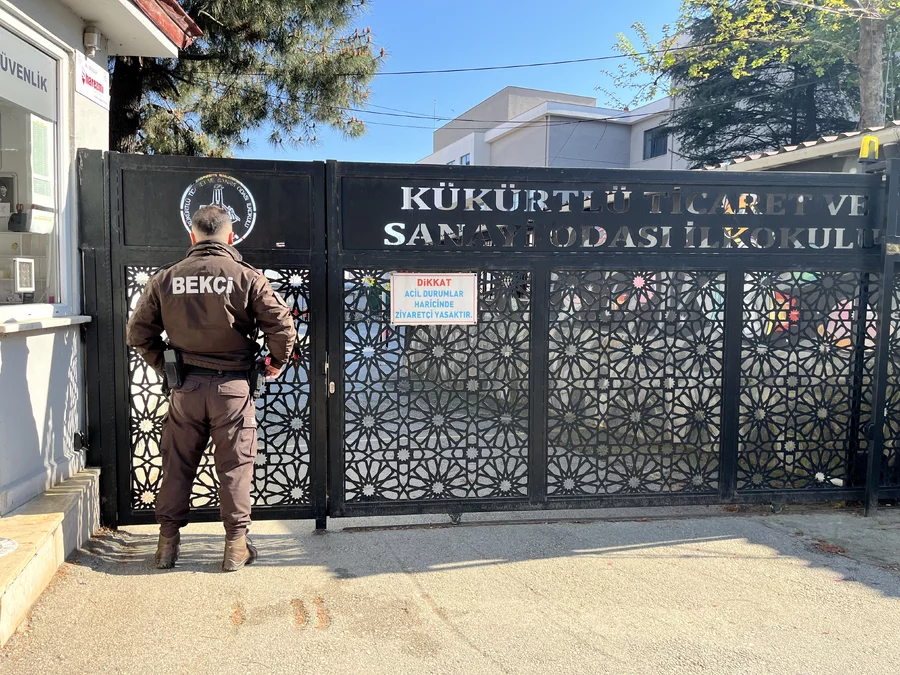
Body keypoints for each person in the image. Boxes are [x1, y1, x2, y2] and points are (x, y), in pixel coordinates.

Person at [126, 205, 296, 571]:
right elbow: (282, 326)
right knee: (235, 467)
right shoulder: (246, 277)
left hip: (185, 389)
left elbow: (138, 333)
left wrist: (166, 368)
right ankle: (235, 548)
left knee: (176, 465)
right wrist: (275, 363)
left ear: (193, 235)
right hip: (233, 389)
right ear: (231, 236)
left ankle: (167, 546)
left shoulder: (166, 278)